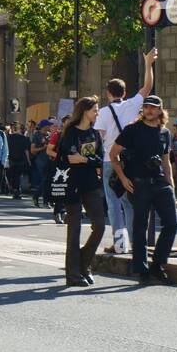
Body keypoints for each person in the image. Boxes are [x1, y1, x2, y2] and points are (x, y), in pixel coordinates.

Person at [110, 95, 177, 283]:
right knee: (140, 227)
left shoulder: (165, 133)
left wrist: (170, 184)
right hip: (138, 183)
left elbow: (166, 161)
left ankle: (158, 264)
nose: (149, 110)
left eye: (153, 107)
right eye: (146, 107)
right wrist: (123, 179)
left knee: (172, 223)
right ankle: (141, 269)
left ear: (160, 111)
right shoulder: (132, 130)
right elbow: (113, 153)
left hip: (160, 183)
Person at [96, 48, 158, 253]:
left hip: (109, 159)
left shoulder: (103, 112)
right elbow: (148, 87)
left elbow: (100, 138)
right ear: (124, 92)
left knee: (113, 205)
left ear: (108, 93)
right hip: (129, 162)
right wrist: (148, 64)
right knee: (130, 203)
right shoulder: (133, 104)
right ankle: (134, 241)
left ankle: (120, 244)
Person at [56, 97, 105, 286]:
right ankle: (73, 275)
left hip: (91, 184)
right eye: (95, 110)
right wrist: (88, 159)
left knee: (100, 225)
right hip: (72, 185)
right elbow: (69, 157)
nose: (97, 113)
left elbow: (99, 159)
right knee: (74, 230)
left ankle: (84, 262)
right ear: (85, 111)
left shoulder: (95, 134)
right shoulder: (70, 132)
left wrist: (84, 159)